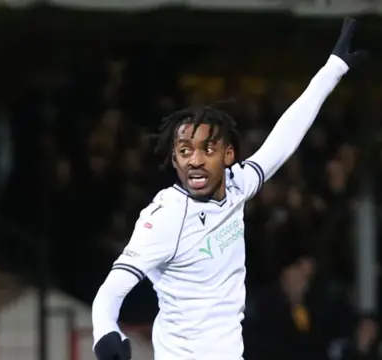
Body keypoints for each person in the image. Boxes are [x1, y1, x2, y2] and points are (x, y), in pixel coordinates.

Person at [91, 17, 367, 360]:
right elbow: (110, 292)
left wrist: (333, 69)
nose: (195, 160)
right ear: (174, 161)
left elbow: (283, 140)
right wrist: (105, 333)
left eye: (207, 149)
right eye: (185, 151)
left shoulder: (237, 187)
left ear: (228, 155)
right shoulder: (165, 217)